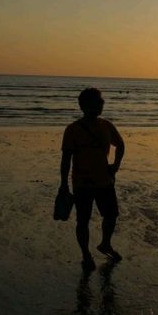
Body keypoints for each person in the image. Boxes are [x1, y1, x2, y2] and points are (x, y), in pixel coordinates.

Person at [60, 88, 125, 271]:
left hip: (104, 180)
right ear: (85, 105)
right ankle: (86, 255)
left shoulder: (106, 125)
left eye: (101, 100)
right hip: (82, 183)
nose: (102, 103)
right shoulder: (72, 129)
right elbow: (66, 159)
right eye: (99, 101)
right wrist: (63, 184)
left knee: (111, 216)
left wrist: (116, 166)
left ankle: (105, 244)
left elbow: (120, 145)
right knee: (83, 220)